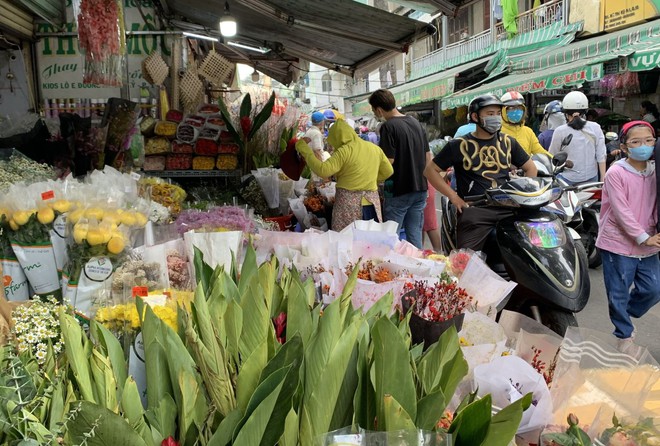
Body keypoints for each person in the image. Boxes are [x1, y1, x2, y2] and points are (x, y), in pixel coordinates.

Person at [424, 94, 538, 251]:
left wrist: (525, 198)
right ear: (475, 116)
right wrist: (454, 197)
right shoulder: (458, 145)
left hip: (507, 209)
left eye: (498, 114)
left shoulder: (508, 142)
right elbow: (430, 171)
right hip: (475, 210)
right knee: (465, 261)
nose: (496, 118)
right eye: (490, 114)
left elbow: (531, 168)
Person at [595, 120, 660, 357]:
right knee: (618, 291)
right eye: (636, 142)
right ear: (624, 146)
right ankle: (623, 334)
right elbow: (621, 211)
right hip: (618, 243)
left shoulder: (656, 170)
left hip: (650, 242)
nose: (643, 146)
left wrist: (649, 237)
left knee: (654, 288)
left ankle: (625, 312)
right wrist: (643, 237)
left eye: (649, 140)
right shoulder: (616, 173)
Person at [296, 119, 393, 231]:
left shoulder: (344, 151)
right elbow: (388, 171)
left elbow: (323, 170)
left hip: (349, 205)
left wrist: (304, 150)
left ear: (338, 138)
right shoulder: (374, 148)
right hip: (372, 202)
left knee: (347, 242)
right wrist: (371, 180)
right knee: (369, 240)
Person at [369, 89, 429, 249]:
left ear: (379, 109)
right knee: (414, 237)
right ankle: (418, 269)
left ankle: (391, 271)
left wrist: (374, 178)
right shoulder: (415, 123)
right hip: (420, 189)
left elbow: (388, 161)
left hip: (398, 190)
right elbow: (428, 155)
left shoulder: (388, 127)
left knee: (390, 239)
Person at [548, 91, 607, 184]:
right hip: (592, 179)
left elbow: (552, 156)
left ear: (565, 113)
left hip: (568, 180)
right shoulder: (595, 127)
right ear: (585, 111)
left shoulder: (560, 131)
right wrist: (603, 179)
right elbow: (601, 155)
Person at [500, 91, 552, 157]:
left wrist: (554, 160)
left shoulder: (528, 132)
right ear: (503, 111)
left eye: (519, 108)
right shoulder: (497, 132)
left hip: (528, 167)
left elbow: (540, 151)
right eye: (511, 108)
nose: (516, 111)